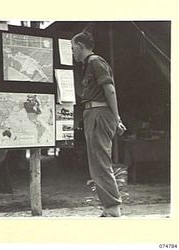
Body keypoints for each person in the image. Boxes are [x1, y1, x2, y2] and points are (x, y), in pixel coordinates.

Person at [71, 31, 127, 217]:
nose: (72, 53)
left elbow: (110, 90)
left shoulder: (95, 62)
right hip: (92, 113)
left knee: (101, 162)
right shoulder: (88, 65)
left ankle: (112, 206)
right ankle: (109, 206)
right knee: (97, 163)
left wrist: (117, 117)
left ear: (80, 45)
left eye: (73, 48)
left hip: (99, 114)